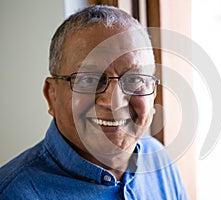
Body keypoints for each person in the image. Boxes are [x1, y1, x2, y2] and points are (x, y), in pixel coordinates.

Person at [0, 5, 188, 200]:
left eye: (134, 79)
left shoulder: (158, 160)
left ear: (153, 92)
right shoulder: (13, 193)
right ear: (52, 95)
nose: (114, 104)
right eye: (89, 79)